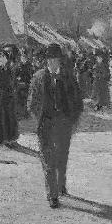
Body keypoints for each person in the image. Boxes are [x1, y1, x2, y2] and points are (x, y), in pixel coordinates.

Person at [27, 44, 83, 208]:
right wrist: (39, 120)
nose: (52, 63)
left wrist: (72, 120)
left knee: (61, 158)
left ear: (60, 60)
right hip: (46, 125)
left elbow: (78, 101)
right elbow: (32, 103)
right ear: (46, 61)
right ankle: (52, 195)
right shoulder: (38, 77)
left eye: (55, 60)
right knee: (48, 160)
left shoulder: (69, 77)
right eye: (49, 60)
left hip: (63, 125)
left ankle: (61, 185)